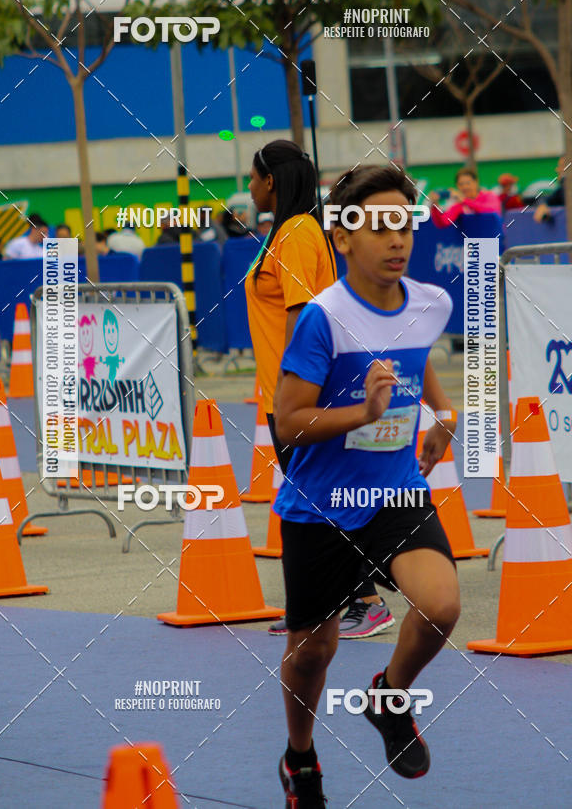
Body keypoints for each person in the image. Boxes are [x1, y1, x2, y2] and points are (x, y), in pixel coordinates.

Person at [273, 164, 460, 805]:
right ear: (344, 240)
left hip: (394, 490)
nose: (396, 238)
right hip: (320, 506)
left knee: (440, 606)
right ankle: (300, 758)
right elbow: (289, 423)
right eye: (377, 226)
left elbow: (416, 356)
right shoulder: (322, 319)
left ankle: (389, 697)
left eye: (403, 224)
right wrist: (364, 413)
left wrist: (440, 415)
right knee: (312, 653)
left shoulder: (429, 303)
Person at [245, 140, 394, 640]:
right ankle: (318, 608)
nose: (248, 187)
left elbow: (300, 318)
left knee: (319, 498)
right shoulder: (289, 232)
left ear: (271, 181)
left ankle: (368, 601)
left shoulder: (296, 234)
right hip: (281, 392)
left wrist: (293, 395)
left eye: (252, 178)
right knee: (310, 498)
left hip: (300, 396)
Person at [429, 167, 500, 228]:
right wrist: (435, 205)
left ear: (476, 182)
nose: (465, 187)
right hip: (472, 242)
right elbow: (443, 223)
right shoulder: (459, 206)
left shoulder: (489, 196)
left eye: (468, 183)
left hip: (495, 240)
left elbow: (491, 210)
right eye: (461, 184)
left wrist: (465, 201)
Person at [533, 156, 568, 223]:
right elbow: (547, 198)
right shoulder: (563, 190)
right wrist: (542, 205)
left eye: (561, 167)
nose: (556, 170)